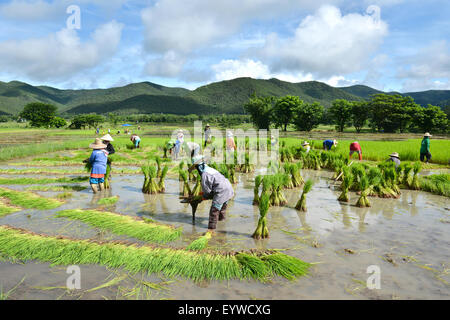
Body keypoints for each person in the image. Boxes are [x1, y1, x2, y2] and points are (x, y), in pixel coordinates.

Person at [188, 155, 234, 232]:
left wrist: (201, 197)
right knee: (222, 209)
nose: (196, 170)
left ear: (199, 167)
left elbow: (207, 192)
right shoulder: (210, 169)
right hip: (228, 188)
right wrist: (203, 194)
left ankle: (211, 230)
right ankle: (221, 225)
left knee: (214, 210)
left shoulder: (204, 174)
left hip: (221, 191)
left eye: (196, 168)